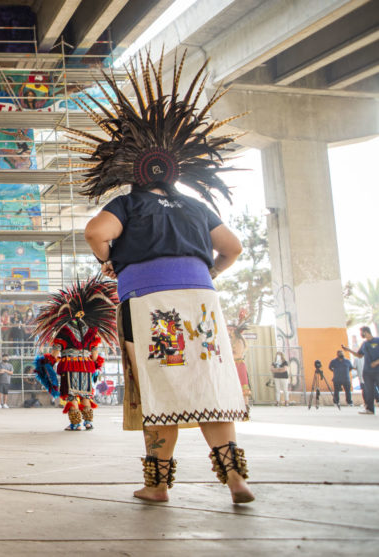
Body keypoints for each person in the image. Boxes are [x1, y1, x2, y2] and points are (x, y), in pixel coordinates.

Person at [80, 54, 253, 504]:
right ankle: (235, 477)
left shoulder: (128, 204)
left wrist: (108, 262)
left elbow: (96, 233)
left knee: (159, 387)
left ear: (129, 171)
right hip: (202, 303)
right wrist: (209, 272)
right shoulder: (196, 206)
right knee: (208, 384)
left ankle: (157, 485)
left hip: (151, 305)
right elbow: (232, 248)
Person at [32, 276, 115, 431]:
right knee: (85, 394)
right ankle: (88, 423)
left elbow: (56, 351)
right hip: (87, 365)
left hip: (69, 364)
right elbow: (95, 351)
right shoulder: (92, 329)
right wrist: (96, 365)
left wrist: (48, 363)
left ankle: (75, 424)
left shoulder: (64, 330)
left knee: (71, 395)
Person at [343, 326, 379, 415]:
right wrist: (348, 350)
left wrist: (376, 362)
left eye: (361, 332)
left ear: (365, 332)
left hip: (377, 370)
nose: (360, 334)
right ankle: (370, 409)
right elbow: (359, 355)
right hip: (367, 372)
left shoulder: (377, 340)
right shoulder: (364, 344)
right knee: (369, 391)